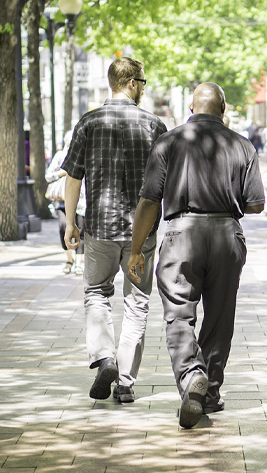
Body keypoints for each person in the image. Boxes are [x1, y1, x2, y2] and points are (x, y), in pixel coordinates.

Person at [127, 82, 265, 428]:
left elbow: (149, 201)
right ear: (224, 108)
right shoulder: (243, 145)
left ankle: (192, 379)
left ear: (191, 107)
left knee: (178, 316)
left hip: (180, 234)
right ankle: (211, 391)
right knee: (219, 317)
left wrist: (135, 250)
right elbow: (256, 204)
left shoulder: (169, 142)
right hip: (225, 234)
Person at [62, 57, 167, 404]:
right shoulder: (154, 125)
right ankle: (124, 382)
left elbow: (73, 177)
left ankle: (104, 356)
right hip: (143, 231)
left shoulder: (88, 122)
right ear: (133, 84)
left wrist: (70, 222)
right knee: (137, 302)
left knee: (96, 292)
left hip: (100, 229)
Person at [45, 130, 85, 275]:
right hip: (62, 200)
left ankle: (79, 263)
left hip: (82, 201)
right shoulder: (60, 156)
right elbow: (48, 176)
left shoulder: (85, 156)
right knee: (63, 226)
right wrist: (62, 173)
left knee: (81, 231)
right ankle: (69, 259)